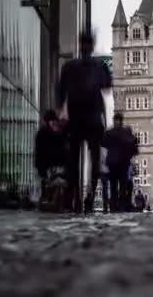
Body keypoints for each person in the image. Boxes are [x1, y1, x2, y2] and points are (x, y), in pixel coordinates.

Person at [56, 31, 112, 213]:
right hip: (93, 119)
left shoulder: (69, 67)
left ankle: (76, 197)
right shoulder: (99, 66)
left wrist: (61, 111)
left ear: (80, 44)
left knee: (73, 159)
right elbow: (107, 85)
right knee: (93, 160)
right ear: (93, 45)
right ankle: (87, 196)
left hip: (77, 119)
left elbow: (60, 94)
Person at [101, 113, 138, 212]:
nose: (115, 122)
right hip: (121, 162)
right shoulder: (126, 133)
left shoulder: (110, 133)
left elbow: (103, 143)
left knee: (116, 185)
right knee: (121, 185)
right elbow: (134, 146)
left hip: (116, 162)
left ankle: (115, 205)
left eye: (116, 120)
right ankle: (119, 205)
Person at [34, 110, 68, 211]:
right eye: (53, 121)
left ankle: (48, 202)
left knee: (48, 184)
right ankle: (51, 203)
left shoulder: (42, 132)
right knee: (51, 184)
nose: (54, 123)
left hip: (48, 164)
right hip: (49, 164)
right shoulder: (50, 132)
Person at [100, 147, 110, 213]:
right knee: (107, 187)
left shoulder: (100, 149)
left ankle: (105, 205)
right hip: (107, 170)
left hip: (103, 170)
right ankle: (107, 205)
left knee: (105, 188)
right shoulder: (109, 148)